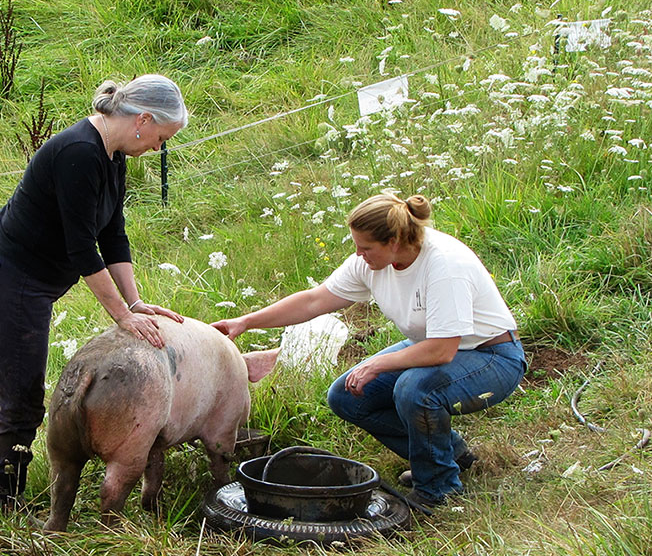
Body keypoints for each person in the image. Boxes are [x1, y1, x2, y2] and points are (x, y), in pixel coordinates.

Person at [211, 192, 525, 507]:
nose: (358, 255)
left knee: (414, 390)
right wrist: (247, 322)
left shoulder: (444, 265)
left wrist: (377, 364)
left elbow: (442, 351)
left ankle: (438, 489)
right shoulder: (373, 263)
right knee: (347, 396)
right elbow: (315, 300)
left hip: (491, 356)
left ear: (395, 241)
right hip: (429, 347)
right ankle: (448, 455)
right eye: (356, 246)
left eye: (365, 248)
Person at [0, 74, 188, 509]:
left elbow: (112, 234)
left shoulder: (112, 155)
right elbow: (81, 248)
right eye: (161, 137)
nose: (158, 148)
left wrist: (136, 301)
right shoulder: (80, 152)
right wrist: (123, 318)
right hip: (15, 277)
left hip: (35, 281)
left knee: (14, 391)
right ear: (143, 119)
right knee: (22, 402)